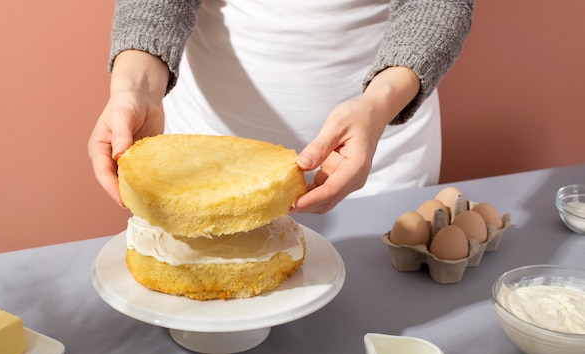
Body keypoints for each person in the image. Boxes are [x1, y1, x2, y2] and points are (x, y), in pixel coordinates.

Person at [88, 0, 473, 214]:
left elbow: (436, 6)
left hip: (377, 146)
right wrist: (134, 89)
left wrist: (376, 106)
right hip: (205, 153)